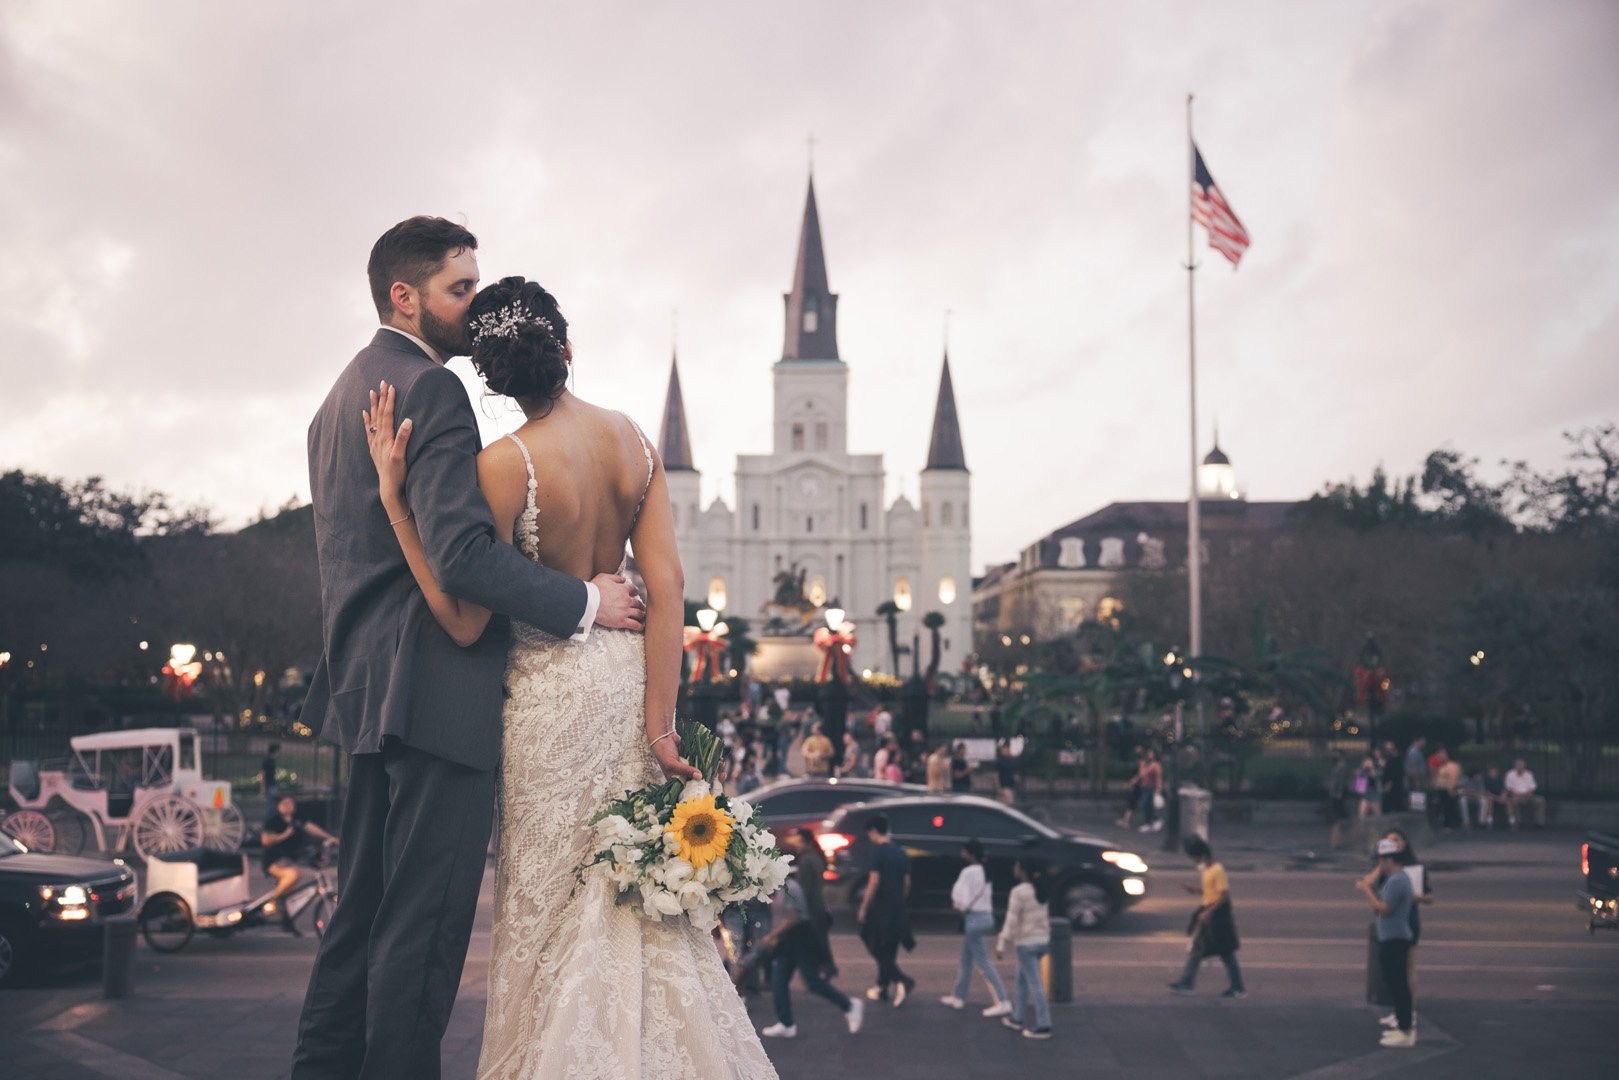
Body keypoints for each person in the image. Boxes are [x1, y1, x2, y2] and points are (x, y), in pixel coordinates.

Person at [348, 262, 775, 1078]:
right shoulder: (633, 441)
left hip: (546, 703)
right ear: (568, 348)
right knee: (640, 906)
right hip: (622, 689)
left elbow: (465, 616)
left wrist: (398, 502)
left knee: (548, 914)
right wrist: (661, 724)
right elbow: (669, 589)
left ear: (495, 381)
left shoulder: (502, 464)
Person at [293, 220, 650, 1080]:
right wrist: (584, 601)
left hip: (366, 690)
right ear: (404, 296)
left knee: (361, 921)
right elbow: (460, 555)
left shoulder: (338, 395)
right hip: (437, 692)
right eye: (460, 288)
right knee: (423, 931)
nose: (473, 303)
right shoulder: (429, 389)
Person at [758, 865, 863, 1039]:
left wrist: (772, 936)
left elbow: (793, 918)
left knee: (812, 981)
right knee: (779, 980)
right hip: (790, 938)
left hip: (801, 937)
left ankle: (850, 1005)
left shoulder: (789, 888)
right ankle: (786, 1023)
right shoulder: (783, 887)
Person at [1167, 837, 1245, 999]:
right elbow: (1210, 891)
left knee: (1226, 953)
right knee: (1197, 950)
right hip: (1208, 913)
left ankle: (1238, 988)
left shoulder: (1218, 870)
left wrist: (1209, 912)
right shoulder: (1207, 870)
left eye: (1195, 858)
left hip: (1218, 916)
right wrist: (1194, 891)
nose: (1195, 862)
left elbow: (1224, 895)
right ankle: (1186, 983)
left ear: (1203, 855)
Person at [943, 839, 1011, 1017]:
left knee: (983, 962)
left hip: (974, 919)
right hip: (986, 917)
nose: (962, 854)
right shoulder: (984, 870)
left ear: (970, 854)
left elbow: (961, 896)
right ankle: (958, 996)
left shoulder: (968, 871)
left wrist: (958, 906)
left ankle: (1003, 1001)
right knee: (966, 959)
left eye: (964, 851)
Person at [1359, 839, 1418, 1047]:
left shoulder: (1397, 881)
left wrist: (1367, 890)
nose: (1379, 865)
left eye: (1381, 861)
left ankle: (1405, 1030)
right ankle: (1403, 1027)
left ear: (1388, 860)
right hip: (1392, 937)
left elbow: (1384, 908)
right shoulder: (1397, 878)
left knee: (1398, 984)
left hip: (1395, 938)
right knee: (1394, 982)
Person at [857, 813, 916, 1006]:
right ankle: (881, 987)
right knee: (889, 948)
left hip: (880, 908)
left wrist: (864, 907)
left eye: (869, 834)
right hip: (898, 908)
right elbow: (907, 883)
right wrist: (899, 899)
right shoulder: (900, 852)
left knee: (873, 943)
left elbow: (874, 881)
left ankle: (902, 979)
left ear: (874, 831)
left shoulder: (877, 852)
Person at [261, 795, 337, 935]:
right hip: (273, 860)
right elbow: (265, 841)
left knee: (290, 892)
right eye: (286, 802)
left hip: (290, 860)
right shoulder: (274, 821)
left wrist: (329, 837)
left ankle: (286, 919)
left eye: (291, 802)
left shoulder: (297, 819)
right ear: (279, 806)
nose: (290, 804)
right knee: (294, 874)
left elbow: (311, 828)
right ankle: (274, 899)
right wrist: (284, 835)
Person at [995, 859, 1052, 1040]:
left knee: (1035, 985)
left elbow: (1011, 920)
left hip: (1026, 944)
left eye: (1017, 866)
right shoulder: (1041, 889)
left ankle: (1044, 1025)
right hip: (1042, 942)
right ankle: (1017, 1018)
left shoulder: (1019, 892)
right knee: (1021, 980)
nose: (1014, 868)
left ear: (1022, 871)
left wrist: (1002, 942)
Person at [1504, 759, 1545, 827]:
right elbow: (1509, 788)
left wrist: (1527, 794)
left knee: (1541, 800)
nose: (1520, 768)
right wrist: (1517, 795)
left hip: (1527, 795)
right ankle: (1517, 822)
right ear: (1515, 766)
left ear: (1524, 767)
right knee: (1512, 801)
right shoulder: (1510, 774)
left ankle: (1540, 823)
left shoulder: (1529, 774)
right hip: (1515, 795)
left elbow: (1532, 787)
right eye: (1518, 766)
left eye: (1521, 766)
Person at [1118, 746, 1145, 827]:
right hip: (1136, 785)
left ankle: (1125, 821)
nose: (1136, 751)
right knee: (1131, 803)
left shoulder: (1141, 762)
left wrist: (1131, 783)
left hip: (1139, 786)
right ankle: (1125, 820)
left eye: (1138, 750)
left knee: (1132, 802)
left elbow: (1140, 775)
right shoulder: (1137, 761)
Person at [1137, 748, 1163, 832]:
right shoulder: (1145, 764)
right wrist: (1141, 765)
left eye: (1151, 753)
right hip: (1145, 787)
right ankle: (1149, 822)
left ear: (1154, 755)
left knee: (1152, 805)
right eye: (1148, 754)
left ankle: (1154, 821)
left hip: (1152, 788)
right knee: (1145, 805)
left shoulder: (1156, 765)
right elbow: (1141, 775)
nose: (1149, 755)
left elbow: (1158, 777)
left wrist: (1158, 788)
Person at [1403, 737, 1428, 813]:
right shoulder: (1414, 752)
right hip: (1415, 780)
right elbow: (1413, 767)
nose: (1424, 743)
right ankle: (1417, 816)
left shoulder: (1417, 751)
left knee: (1418, 799)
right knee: (1416, 799)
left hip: (1417, 779)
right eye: (1423, 741)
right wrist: (1416, 780)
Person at [995, 741, 1020, 806]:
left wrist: (1016, 778)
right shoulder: (999, 761)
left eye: (1007, 750)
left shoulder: (1011, 760)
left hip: (1011, 786)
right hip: (1004, 786)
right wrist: (998, 787)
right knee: (1006, 804)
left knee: (1009, 804)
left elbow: (1014, 772)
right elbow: (996, 775)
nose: (1006, 751)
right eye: (1005, 750)